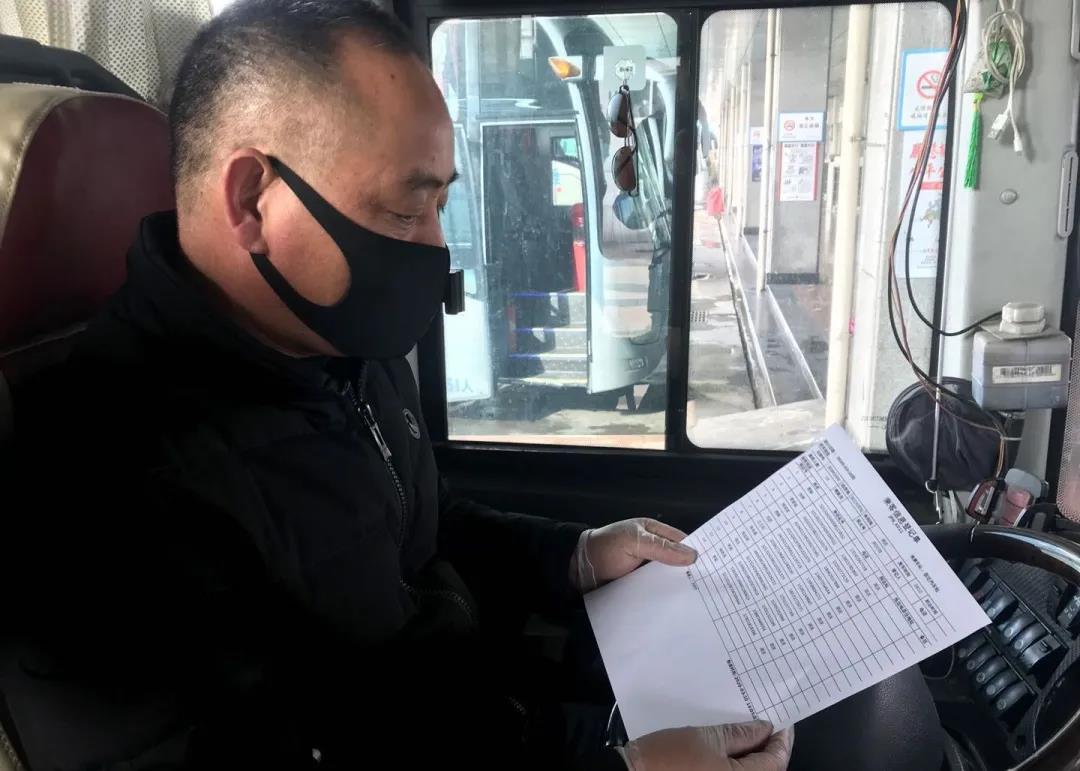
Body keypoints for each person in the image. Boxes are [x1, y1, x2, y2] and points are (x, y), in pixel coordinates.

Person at [7, 2, 793, 770]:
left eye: (443, 204)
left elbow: (422, 524)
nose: (437, 250)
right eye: (404, 211)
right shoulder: (110, 493)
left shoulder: (336, 345)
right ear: (251, 199)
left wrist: (576, 556)